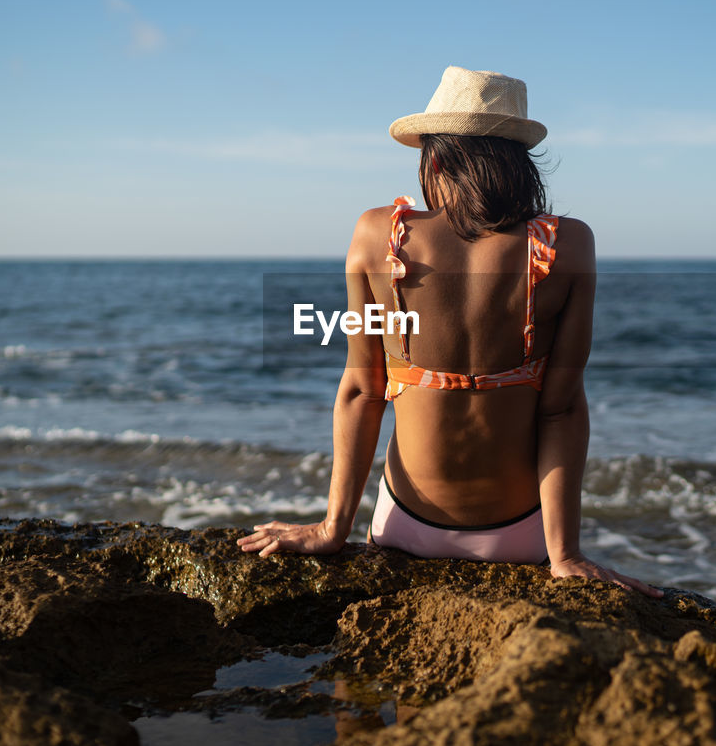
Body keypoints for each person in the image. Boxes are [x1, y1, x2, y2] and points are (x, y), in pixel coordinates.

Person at [238, 66, 661, 597]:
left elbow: (361, 391)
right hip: (524, 531)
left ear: (434, 158)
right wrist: (566, 555)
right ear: (518, 163)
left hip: (405, 521)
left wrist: (332, 529)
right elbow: (563, 409)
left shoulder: (378, 234)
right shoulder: (569, 246)